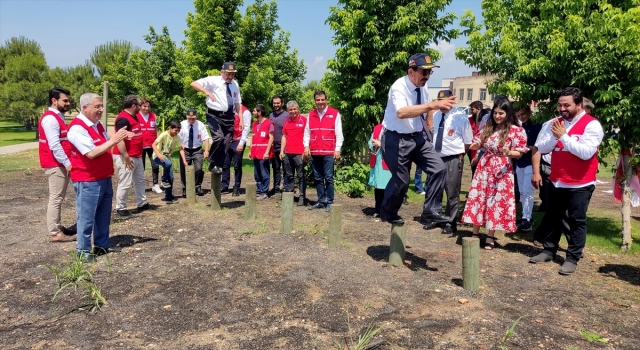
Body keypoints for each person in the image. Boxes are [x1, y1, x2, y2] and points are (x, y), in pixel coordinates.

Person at [529, 87, 603, 275]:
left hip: (580, 183)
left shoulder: (591, 125)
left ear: (579, 105)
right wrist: (555, 138)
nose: (562, 108)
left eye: (567, 105)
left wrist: (563, 136)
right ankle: (548, 250)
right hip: (557, 180)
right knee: (553, 217)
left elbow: (586, 153)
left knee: (576, 221)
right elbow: (543, 148)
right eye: (560, 105)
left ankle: (572, 258)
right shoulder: (557, 123)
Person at [379, 53, 456, 224]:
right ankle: (387, 211)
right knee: (402, 180)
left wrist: (429, 125)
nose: (427, 76)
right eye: (424, 72)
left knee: (439, 168)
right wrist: (432, 105)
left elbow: (426, 108)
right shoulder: (399, 87)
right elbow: (402, 112)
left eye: (430, 73)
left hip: (417, 137)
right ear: (411, 71)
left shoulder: (423, 86)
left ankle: (430, 211)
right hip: (395, 138)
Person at [67, 93, 128, 261]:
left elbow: (105, 141)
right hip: (87, 180)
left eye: (101, 106)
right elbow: (92, 153)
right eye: (97, 106)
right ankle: (83, 251)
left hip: (103, 177)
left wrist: (122, 137)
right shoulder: (77, 128)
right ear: (85, 107)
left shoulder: (96, 125)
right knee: (86, 218)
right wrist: (114, 140)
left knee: (103, 215)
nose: (101, 109)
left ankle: (101, 246)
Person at [461, 97, 528, 250]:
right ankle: (475, 233)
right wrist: (475, 145)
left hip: (502, 169)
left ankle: (490, 235)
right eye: (495, 113)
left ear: (508, 114)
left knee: (495, 201)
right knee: (480, 197)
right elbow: (478, 141)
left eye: (501, 113)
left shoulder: (517, 130)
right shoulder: (488, 126)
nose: (497, 116)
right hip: (485, 166)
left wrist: (509, 152)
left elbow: (520, 152)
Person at [424, 90, 473, 233]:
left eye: (445, 101)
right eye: (440, 101)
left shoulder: (460, 117)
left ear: (451, 101)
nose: (442, 104)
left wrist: (460, 155)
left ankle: (450, 222)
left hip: (453, 157)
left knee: (452, 191)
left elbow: (468, 141)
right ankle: (435, 218)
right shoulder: (436, 115)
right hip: (436, 157)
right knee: (434, 189)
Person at [38, 87, 77, 242]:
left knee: (59, 197)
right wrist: (67, 163)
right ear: (54, 100)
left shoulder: (58, 116)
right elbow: (54, 145)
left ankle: (58, 226)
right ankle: (54, 232)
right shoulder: (50, 119)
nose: (68, 103)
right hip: (56, 163)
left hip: (60, 163)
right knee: (56, 198)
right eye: (65, 100)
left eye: (68, 100)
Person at [189, 62, 241, 175]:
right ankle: (212, 162)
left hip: (229, 116)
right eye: (228, 74)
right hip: (214, 115)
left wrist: (240, 119)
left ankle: (217, 164)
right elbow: (193, 83)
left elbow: (237, 103)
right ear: (222, 72)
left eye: (233, 74)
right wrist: (207, 92)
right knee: (219, 138)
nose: (230, 77)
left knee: (227, 141)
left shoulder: (235, 84)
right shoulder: (214, 80)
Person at [304, 90, 344, 212]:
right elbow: (307, 132)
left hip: (328, 152)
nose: (320, 102)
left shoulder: (334, 113)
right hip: (315, 151)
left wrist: (337, 149)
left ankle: (330, 202)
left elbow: (339, 133)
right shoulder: (311, 114)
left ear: (326, 100)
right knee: (317, 177)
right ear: (315, 101)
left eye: (322, 99)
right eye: (318, 100)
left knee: (329, 177)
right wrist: (306, 146)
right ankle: (321, 201)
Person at [113, 95, 149, 217]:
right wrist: (126, 156)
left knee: (139, 180)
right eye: (139, 105)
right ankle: (121, 207)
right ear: (133, 106)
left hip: (137, 155)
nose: (141, 108)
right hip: (126, 157)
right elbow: (119, 139)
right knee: (125, 182)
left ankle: (142, 203)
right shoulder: (123, 119)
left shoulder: (134, 116)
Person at [514, 104, 542, 231]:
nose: (521, 117)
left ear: (529, 112)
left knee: (528, 191)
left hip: (531, 163)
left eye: (523, 114)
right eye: (519, 116)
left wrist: (528, 147)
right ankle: (525, 216)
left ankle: (528, 219)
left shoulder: (537, 126)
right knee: (522, 192)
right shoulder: (520, 127)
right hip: (520, 162)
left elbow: (539, 147)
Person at [280, 101, 307, 206]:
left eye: (294, 109)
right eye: (290, 110)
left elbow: (308, 136)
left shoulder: (304, 121)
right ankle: (290, 196)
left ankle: (302, 197)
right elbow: (284, 137)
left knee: (301, 176)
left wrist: (306, 150)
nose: (293, 111)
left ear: (298, 109)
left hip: (299, 154)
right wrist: (282, 151)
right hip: (288, 153)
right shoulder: (286, 122)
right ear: (288, 111)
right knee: (289, 176)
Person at [152, 120, 187, 203]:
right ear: (170, 128)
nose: (177, 132)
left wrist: (184, 161)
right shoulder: (164, 134)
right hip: (157, 156)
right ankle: (163, 179)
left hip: (166, 158)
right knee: (168, 163)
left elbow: (181, 149)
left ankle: (168, 197)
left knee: (171, 177)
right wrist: (159, 154)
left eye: (178, 131)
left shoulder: (177, 138)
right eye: (175, 130)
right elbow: (153, 144)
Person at [178, 109, 211, 197]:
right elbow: (178, 138)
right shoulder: (182, 125)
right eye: (189, 119)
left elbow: (206, 138)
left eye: (193, 118)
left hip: (197, 150)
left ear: (196, 117)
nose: (191, 120)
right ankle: (185, 188)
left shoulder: (200, 125)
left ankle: (198, 186)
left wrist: (206, 150)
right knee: (184, 170)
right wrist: (181, 144)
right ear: (186, 117)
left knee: (199, 169)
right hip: (185, 150)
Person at [222, 104, 251, 196]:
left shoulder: (245, 112)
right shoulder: (227, 109)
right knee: (225, 165)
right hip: (228, 141)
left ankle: (236, 187)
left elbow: (246, 128)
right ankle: (224, 186)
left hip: (238, 141)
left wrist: (241, 143)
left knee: (237, 165)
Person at [249, 104, 274, 200]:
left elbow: (271, 138)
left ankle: (264, 192)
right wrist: (251, 150)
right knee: (257, 174)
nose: (253, 112)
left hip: (263, 153)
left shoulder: (269, 123)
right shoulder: (254, 124)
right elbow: (253, 137)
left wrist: (267, 152)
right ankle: (259, 191)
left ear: (259, 112)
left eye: (255, 111)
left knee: (264, 173)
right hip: (255, 153)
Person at [138, 99, 162, 194]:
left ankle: (155, 184)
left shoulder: (153, 116)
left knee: (155, 165)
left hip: (152, 145)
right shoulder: (136, 116)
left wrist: (158, 141)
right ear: (140, 106)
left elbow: (155, 128)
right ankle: (140, 186)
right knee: (141, 167)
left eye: (148, 106)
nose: (146, 108)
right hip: (141, 145)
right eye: (144, 106)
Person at [368, 123, 392, 217]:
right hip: (377, 162)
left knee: (388, 188)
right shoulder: (377, 127)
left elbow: (396, 145)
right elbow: (370, 141)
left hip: (388, 162)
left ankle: (387, 211)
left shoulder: (395, 128)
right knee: (378, 188)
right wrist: (372, 143)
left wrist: (381, 144)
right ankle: (378, 210)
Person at [269, 96, 290, 195]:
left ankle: (286, 187)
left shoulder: (287, 115)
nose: (276, 105)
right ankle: (276, 187)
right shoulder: (271, 115)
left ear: (282, 103)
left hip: (285, 146)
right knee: (275, 168)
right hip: (274, 146)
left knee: (286, 167)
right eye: (274, 103)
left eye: (278, 103)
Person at [467, 100, 484, 178]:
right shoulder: (470, 120)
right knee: (473, 167)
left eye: (473, 109)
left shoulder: (484, 119)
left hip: (481, 147)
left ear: (479, 109)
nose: (471, 111)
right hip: (472, 147)